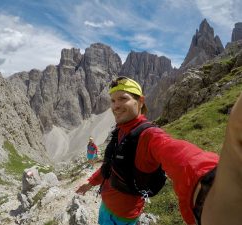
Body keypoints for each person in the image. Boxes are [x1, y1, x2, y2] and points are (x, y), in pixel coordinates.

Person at [76, 76, 242, 225]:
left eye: (122, 99)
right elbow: (110, 166)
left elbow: (179, 154)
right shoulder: (120, 130)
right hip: (106, 206)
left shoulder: (150, 135)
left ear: (140, 101)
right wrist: (90, 182)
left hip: (121, 217)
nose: (116, 106)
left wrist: (210, 184)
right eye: (112, 101)